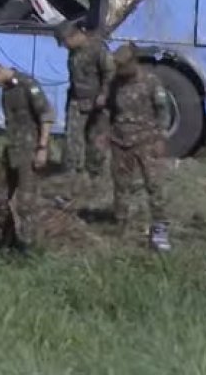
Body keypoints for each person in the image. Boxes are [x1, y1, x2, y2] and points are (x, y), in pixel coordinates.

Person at [0, 57, 54, 256]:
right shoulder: (7, 91)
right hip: (12, 150)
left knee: (26, 204)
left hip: (31, 150)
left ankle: (28, 248)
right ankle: (8, 237)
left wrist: (42, 147)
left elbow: (46, 115)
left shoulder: (27, 84)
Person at [107, 43, 173, 253]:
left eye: (123, 65)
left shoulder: (151, 82)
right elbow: (109, 109)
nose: (120, 70)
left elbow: (163, 112)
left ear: (133, 62)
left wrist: (160, 138)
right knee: (121, 185)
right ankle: (121, 225)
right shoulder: (115, 83)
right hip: (120, 141)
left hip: (146, 140)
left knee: (154, 185)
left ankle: (160, 227)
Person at [55, 19, 114, 190]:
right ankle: (72, 174)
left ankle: (95, 176)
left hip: (97, 103)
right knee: (72, 138)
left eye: (65, 42)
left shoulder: (97, 49)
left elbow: (110, 73)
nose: (65, 47)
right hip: (77, 100)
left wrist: (104, 94)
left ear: (73, 36)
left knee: (96, 141)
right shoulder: (73, 53)